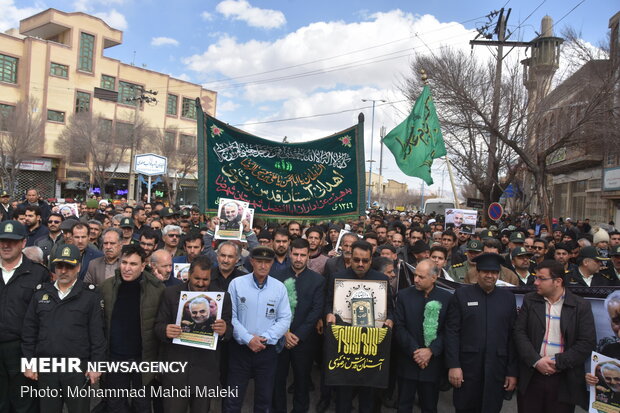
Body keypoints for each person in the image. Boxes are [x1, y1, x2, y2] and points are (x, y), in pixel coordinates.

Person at [21, 244, 105, 413]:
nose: (64, 271)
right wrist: (28, 363)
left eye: (69, 266)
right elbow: (29, 331)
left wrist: (96, 365)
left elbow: (97, 333)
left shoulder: (90, 296)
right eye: (60, 266)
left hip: (77, 368)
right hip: (47, 367)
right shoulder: (40, 294)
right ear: (54, 267)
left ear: (79, 267)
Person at [513, 260, 595, 413]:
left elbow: (586, 342)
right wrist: (536, 361)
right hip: (532, 376)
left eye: (541, 279)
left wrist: (558, 362)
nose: (536, 282)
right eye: (536, 277)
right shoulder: (530, 300)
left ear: (558, 281)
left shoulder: (580, 306)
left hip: (563, 378)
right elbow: (519, 332)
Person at [155, 255, 232, 412]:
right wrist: (166, 331)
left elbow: (229, 330)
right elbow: (157, 326)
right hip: (176, 371)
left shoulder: (221, 297)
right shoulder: (170, 293)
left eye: (205, 279)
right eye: (197, 278)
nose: (201, 283)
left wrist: (224, 331)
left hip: (205, 372)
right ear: (189, 274)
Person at [325, 240, 394, 413]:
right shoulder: (337, 277)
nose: (361, 264)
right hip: (344, 343)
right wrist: (328, 314)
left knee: (369, 394)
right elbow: (327, 304)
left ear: (371, 259)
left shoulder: (382, 280)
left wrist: (390, 320)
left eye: (365, 260)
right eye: (356, 260)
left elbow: (391, 310)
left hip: (371, 344)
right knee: (343, 394)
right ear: (350, 258)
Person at [445, 252, 518, 413]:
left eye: (494, 272)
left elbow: (512, 337)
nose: (490, 276)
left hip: (496, 369)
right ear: (477, 273)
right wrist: (453, 365)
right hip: (467, 368)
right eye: (485, 271)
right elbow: (452, 332)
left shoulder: (508, 298)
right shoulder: (462, 295)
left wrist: (512, 372)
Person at [224, 246, 292, 413]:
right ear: (252, 262)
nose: (263, 266)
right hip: (240, 350)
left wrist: (264, 338)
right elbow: (230, 317)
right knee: (233, 398)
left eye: (267, 262)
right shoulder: (237, 284)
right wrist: (248, 339)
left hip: (266, 350)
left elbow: (285, 318)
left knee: (264, 399)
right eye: (259, 261)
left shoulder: (279, 288)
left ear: (272, 263)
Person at [100, 244, 165, 412]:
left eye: (133, 264)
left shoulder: (157, 289)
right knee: (114, 405)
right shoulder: (106, 287)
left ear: (143, 266)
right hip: (115, 358)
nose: (127, 268)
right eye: (124, 262)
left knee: (142, 405)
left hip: (143, 358)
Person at [0, 220, 50, 413]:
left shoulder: (38, 274)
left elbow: (45, 319)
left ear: (23, 243)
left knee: (25, 404)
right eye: (3, 240)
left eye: (12, 241)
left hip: (23, 350)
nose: (6, 245)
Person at [273, 238, 325, 413]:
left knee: (302, 381)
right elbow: (272, 308)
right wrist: (284, 333)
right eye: (295, 254)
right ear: (289, 254)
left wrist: (298, 335)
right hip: (279, 337)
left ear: (308, 256)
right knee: (277, 380)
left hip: (304, 340)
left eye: (303, 255)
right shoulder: (276, 277)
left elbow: (315, 311)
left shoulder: (317, 280)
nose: (298, 258)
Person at [394, 259, 452, 413]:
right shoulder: (404, 295)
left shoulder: (447, 298)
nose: (416, 280)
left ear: (434, 277)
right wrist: (416, 352)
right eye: (415, 275)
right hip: (408, 360)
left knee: (429, 406)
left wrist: (431, 351)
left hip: (432, 363)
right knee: (404, 405)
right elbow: (399, 327)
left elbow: (449, 330)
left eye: (421, 277)